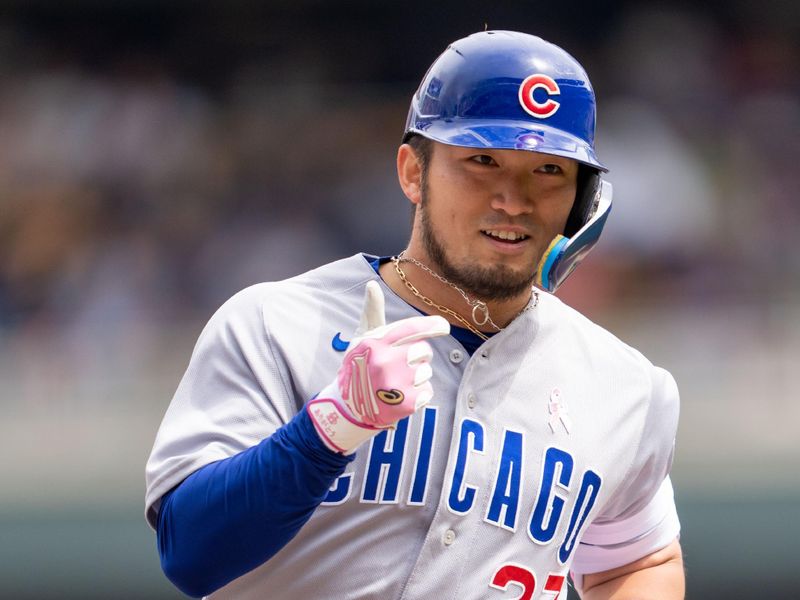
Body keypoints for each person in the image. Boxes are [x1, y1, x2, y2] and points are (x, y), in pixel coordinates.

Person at [145, 30, 684, 599]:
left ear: (584, 202)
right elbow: (190, 554)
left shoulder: (624, 387)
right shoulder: (275, 325)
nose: (513, 199)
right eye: (482, 160)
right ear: (412, 172)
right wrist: (326, 431)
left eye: (548, 171)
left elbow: (636, 561)